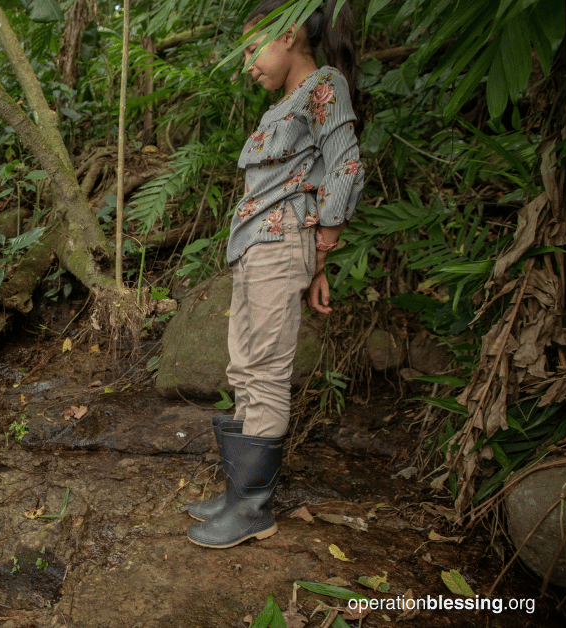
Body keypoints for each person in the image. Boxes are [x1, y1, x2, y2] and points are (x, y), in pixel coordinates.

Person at [186, 0, 363, 550]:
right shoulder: (284, 104)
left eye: (251, 49)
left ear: (289, 36)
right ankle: (238, 493)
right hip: (260, 246)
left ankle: (251, 510)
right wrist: (316, 265)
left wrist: (322, 243)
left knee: (262, 371)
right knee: (244, 366)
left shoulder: (324, 83)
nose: (246, 65)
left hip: (281, 242)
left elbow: (347, 165)